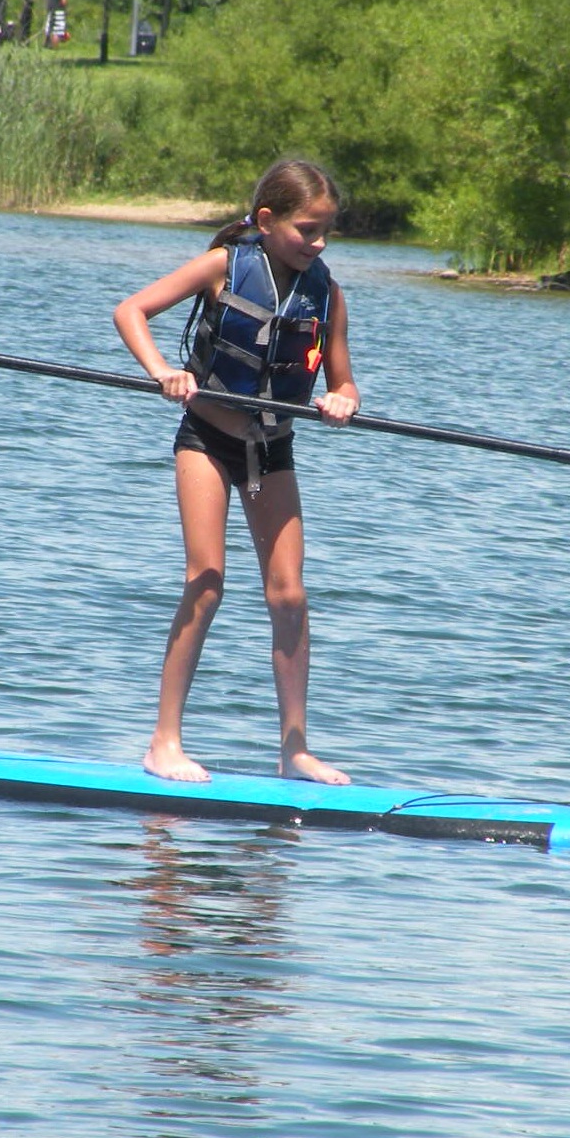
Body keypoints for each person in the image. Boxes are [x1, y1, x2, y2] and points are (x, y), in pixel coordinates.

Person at [113, 160, 359, 785]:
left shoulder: (326, 293)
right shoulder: (223, 265)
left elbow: (342, 379)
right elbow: (131, 311)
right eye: (308, 229)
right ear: (268, 221)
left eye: (327, 231)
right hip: (207, 437)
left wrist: (344, 400)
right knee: (207, 579)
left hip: (272, 447)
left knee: (290, 594)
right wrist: (162, 370)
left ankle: (295, 750)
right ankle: (163, 742)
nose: (319, 243)